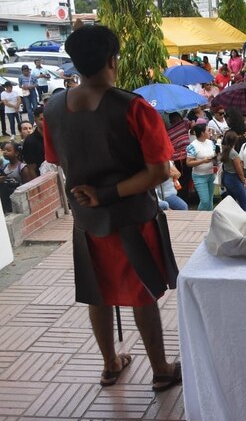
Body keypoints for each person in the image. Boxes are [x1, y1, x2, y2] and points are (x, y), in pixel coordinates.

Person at [42, 25, 180, 391]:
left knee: (96, 293)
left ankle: (110, 364)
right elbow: (158, 172)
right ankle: (161, 369)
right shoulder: (134, 107)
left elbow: (59, 161)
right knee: (142, 295)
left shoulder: (53, 108)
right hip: (131, 218)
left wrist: (93, 197)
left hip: (86, 221)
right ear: (112, 60)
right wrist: (107, 193)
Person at [186, 124, 218, 211]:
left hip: (211, 174)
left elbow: (214, 155)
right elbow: (189, 163)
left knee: (210, 200)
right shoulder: (193, 146)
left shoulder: (210, 142)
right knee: (204, 201)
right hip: (199, 176)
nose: (210, 132)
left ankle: (209, 218)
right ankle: (198, 217)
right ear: (202, 133)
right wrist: (203, 161)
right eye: (208, 130)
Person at [219, 130, 246, 210]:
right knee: (244, 202)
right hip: (234, 178)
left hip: (226, 177)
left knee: (231, 201)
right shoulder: (234, 153)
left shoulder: (225, 150)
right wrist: (242, 179)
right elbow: (238, 169)